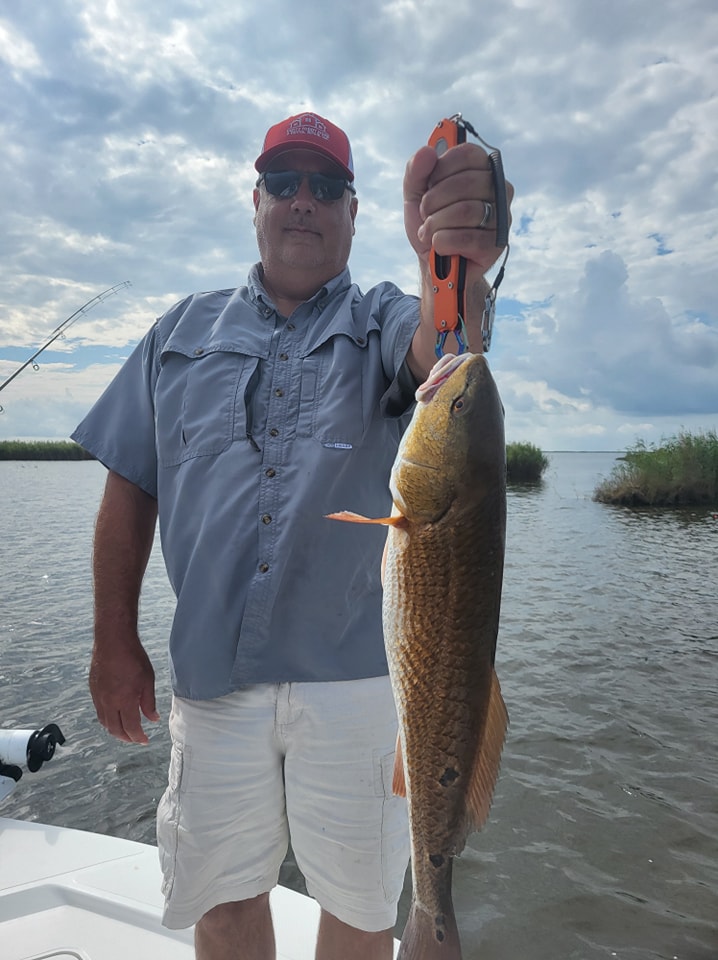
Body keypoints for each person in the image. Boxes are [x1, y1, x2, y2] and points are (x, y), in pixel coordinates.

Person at [72, 111, 513, 960]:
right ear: (256, 201)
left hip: (357, 685)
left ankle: (436, 918)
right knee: (224, 900)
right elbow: (130, 486)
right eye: (284, 183)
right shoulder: (178, 333)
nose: (302, 202)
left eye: (325, 187)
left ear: (353, 213)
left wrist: (455, 266)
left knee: (356, 906)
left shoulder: (386, 317)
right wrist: (113, 638)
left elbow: (442, 347)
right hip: (212, 679)